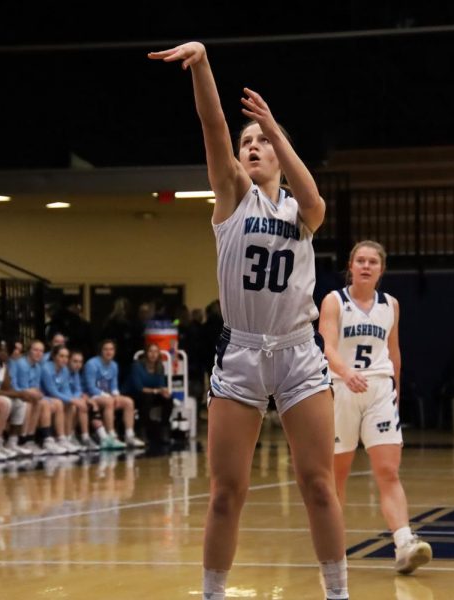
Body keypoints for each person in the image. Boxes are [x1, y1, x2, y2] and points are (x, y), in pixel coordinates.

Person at [149, 41, 347, 600]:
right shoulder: (233, 198)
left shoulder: (300, 211)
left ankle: (338, 594)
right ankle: (213, 593)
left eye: (261, 142)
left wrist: (275, 128)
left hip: (296, 351)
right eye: (247, 143)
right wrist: (203, 65)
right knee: (224, 492)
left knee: (317, 484)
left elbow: (314, 200)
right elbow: (214, 126)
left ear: (280, 153)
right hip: (240, 354)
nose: (253, 146)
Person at [318, 240, 432, 575]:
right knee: (336, 475)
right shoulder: (334, 301)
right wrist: (345, 371)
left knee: (388, 471)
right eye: (360, 261)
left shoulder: (391, 305)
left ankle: (404, 543)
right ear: (350, 266)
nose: (366, 266)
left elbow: (393, 351)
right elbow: (325, 344)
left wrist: (396, 389)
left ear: (381, 270)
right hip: (342, 389)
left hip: (380, 390)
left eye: (373, 262)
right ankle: (333, 548)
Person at [83, 340, 144, 449]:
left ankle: (129, 436)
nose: (109, 352)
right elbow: (90, 388)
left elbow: (114, 386)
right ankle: (111, 435)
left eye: (111, 349)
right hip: (92, 396)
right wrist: (108, 396)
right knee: (109, 401)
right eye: (106, 349)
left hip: (107, 396)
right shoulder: (91, 364)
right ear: (101, 351)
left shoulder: (114, 365)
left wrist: (116, 395)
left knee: (128, 402)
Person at [129, 342, 173, 447]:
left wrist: (164, 392)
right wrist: (156, 391)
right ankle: (142, 430)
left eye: (155, 352)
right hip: (136, 394)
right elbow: (138, 387)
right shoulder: (137, 366)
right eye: (150, 351)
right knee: (147, 398)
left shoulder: (160, 366)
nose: (153, 354)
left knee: (168, 400)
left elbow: (161, 385)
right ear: (146, 353)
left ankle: (164, 429)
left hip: (153, 393)